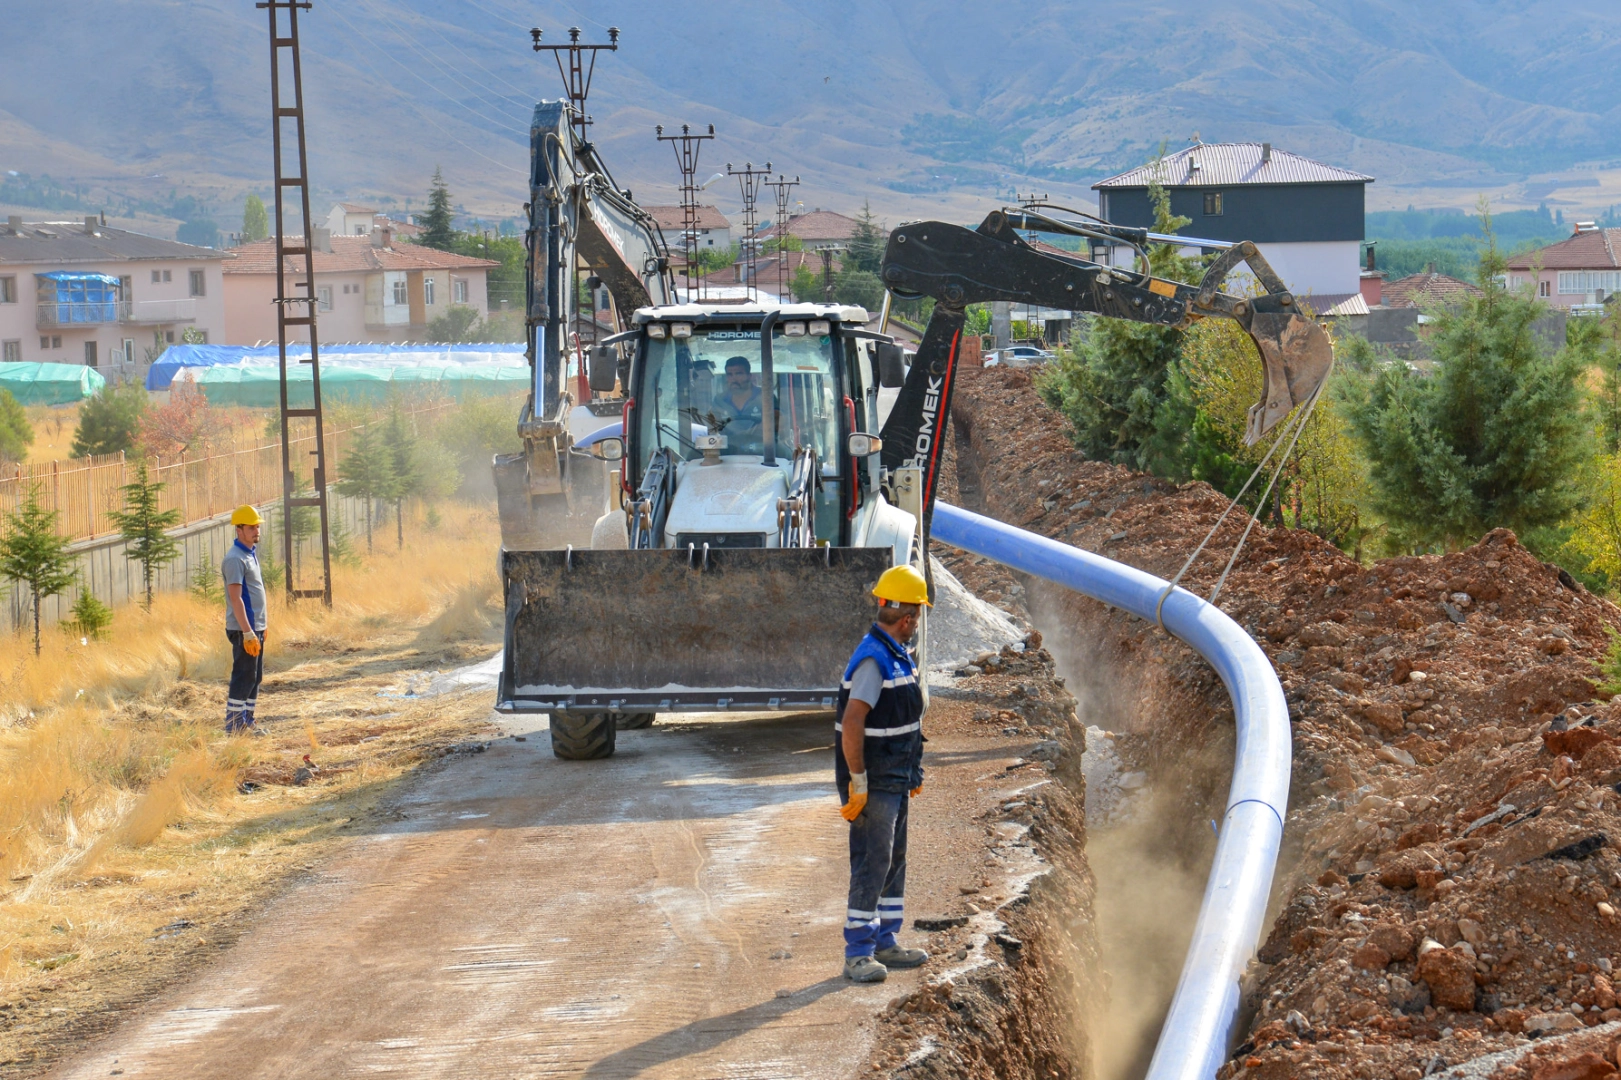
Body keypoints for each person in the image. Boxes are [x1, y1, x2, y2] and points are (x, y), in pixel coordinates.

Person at [835, 563, 931, 983]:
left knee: (894, 857)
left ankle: (885, 942)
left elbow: (904, 719)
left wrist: (912, 770)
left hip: (895, 775)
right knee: (873, 860)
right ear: (908, 617)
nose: (917, 623)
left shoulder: (896, 656)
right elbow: (854, 723)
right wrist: (858, 782)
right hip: (874, 779)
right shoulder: (874, 661)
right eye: (918, 616)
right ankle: (858, 952)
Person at [222, 504, 267, 734]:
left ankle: (247, 720)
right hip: (243, 630)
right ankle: (233, 725)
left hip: (254, 628)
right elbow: (236, 598)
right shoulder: (235, 559)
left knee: (255, 677)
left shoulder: (249, 554)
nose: (256, 530)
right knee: (243, 676)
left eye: (257, 526)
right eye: (251, 527)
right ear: (239, 530)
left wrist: (262, 625)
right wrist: (248, 632)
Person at [711, 355, 764, 451]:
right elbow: (712, 428)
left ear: (749, 376)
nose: (734, 379)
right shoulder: (719, 401)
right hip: (728, 451)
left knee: (784, 453)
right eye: (729, 374)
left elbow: (778, 426)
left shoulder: (765, 398)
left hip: (763, 452)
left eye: (738, 374)